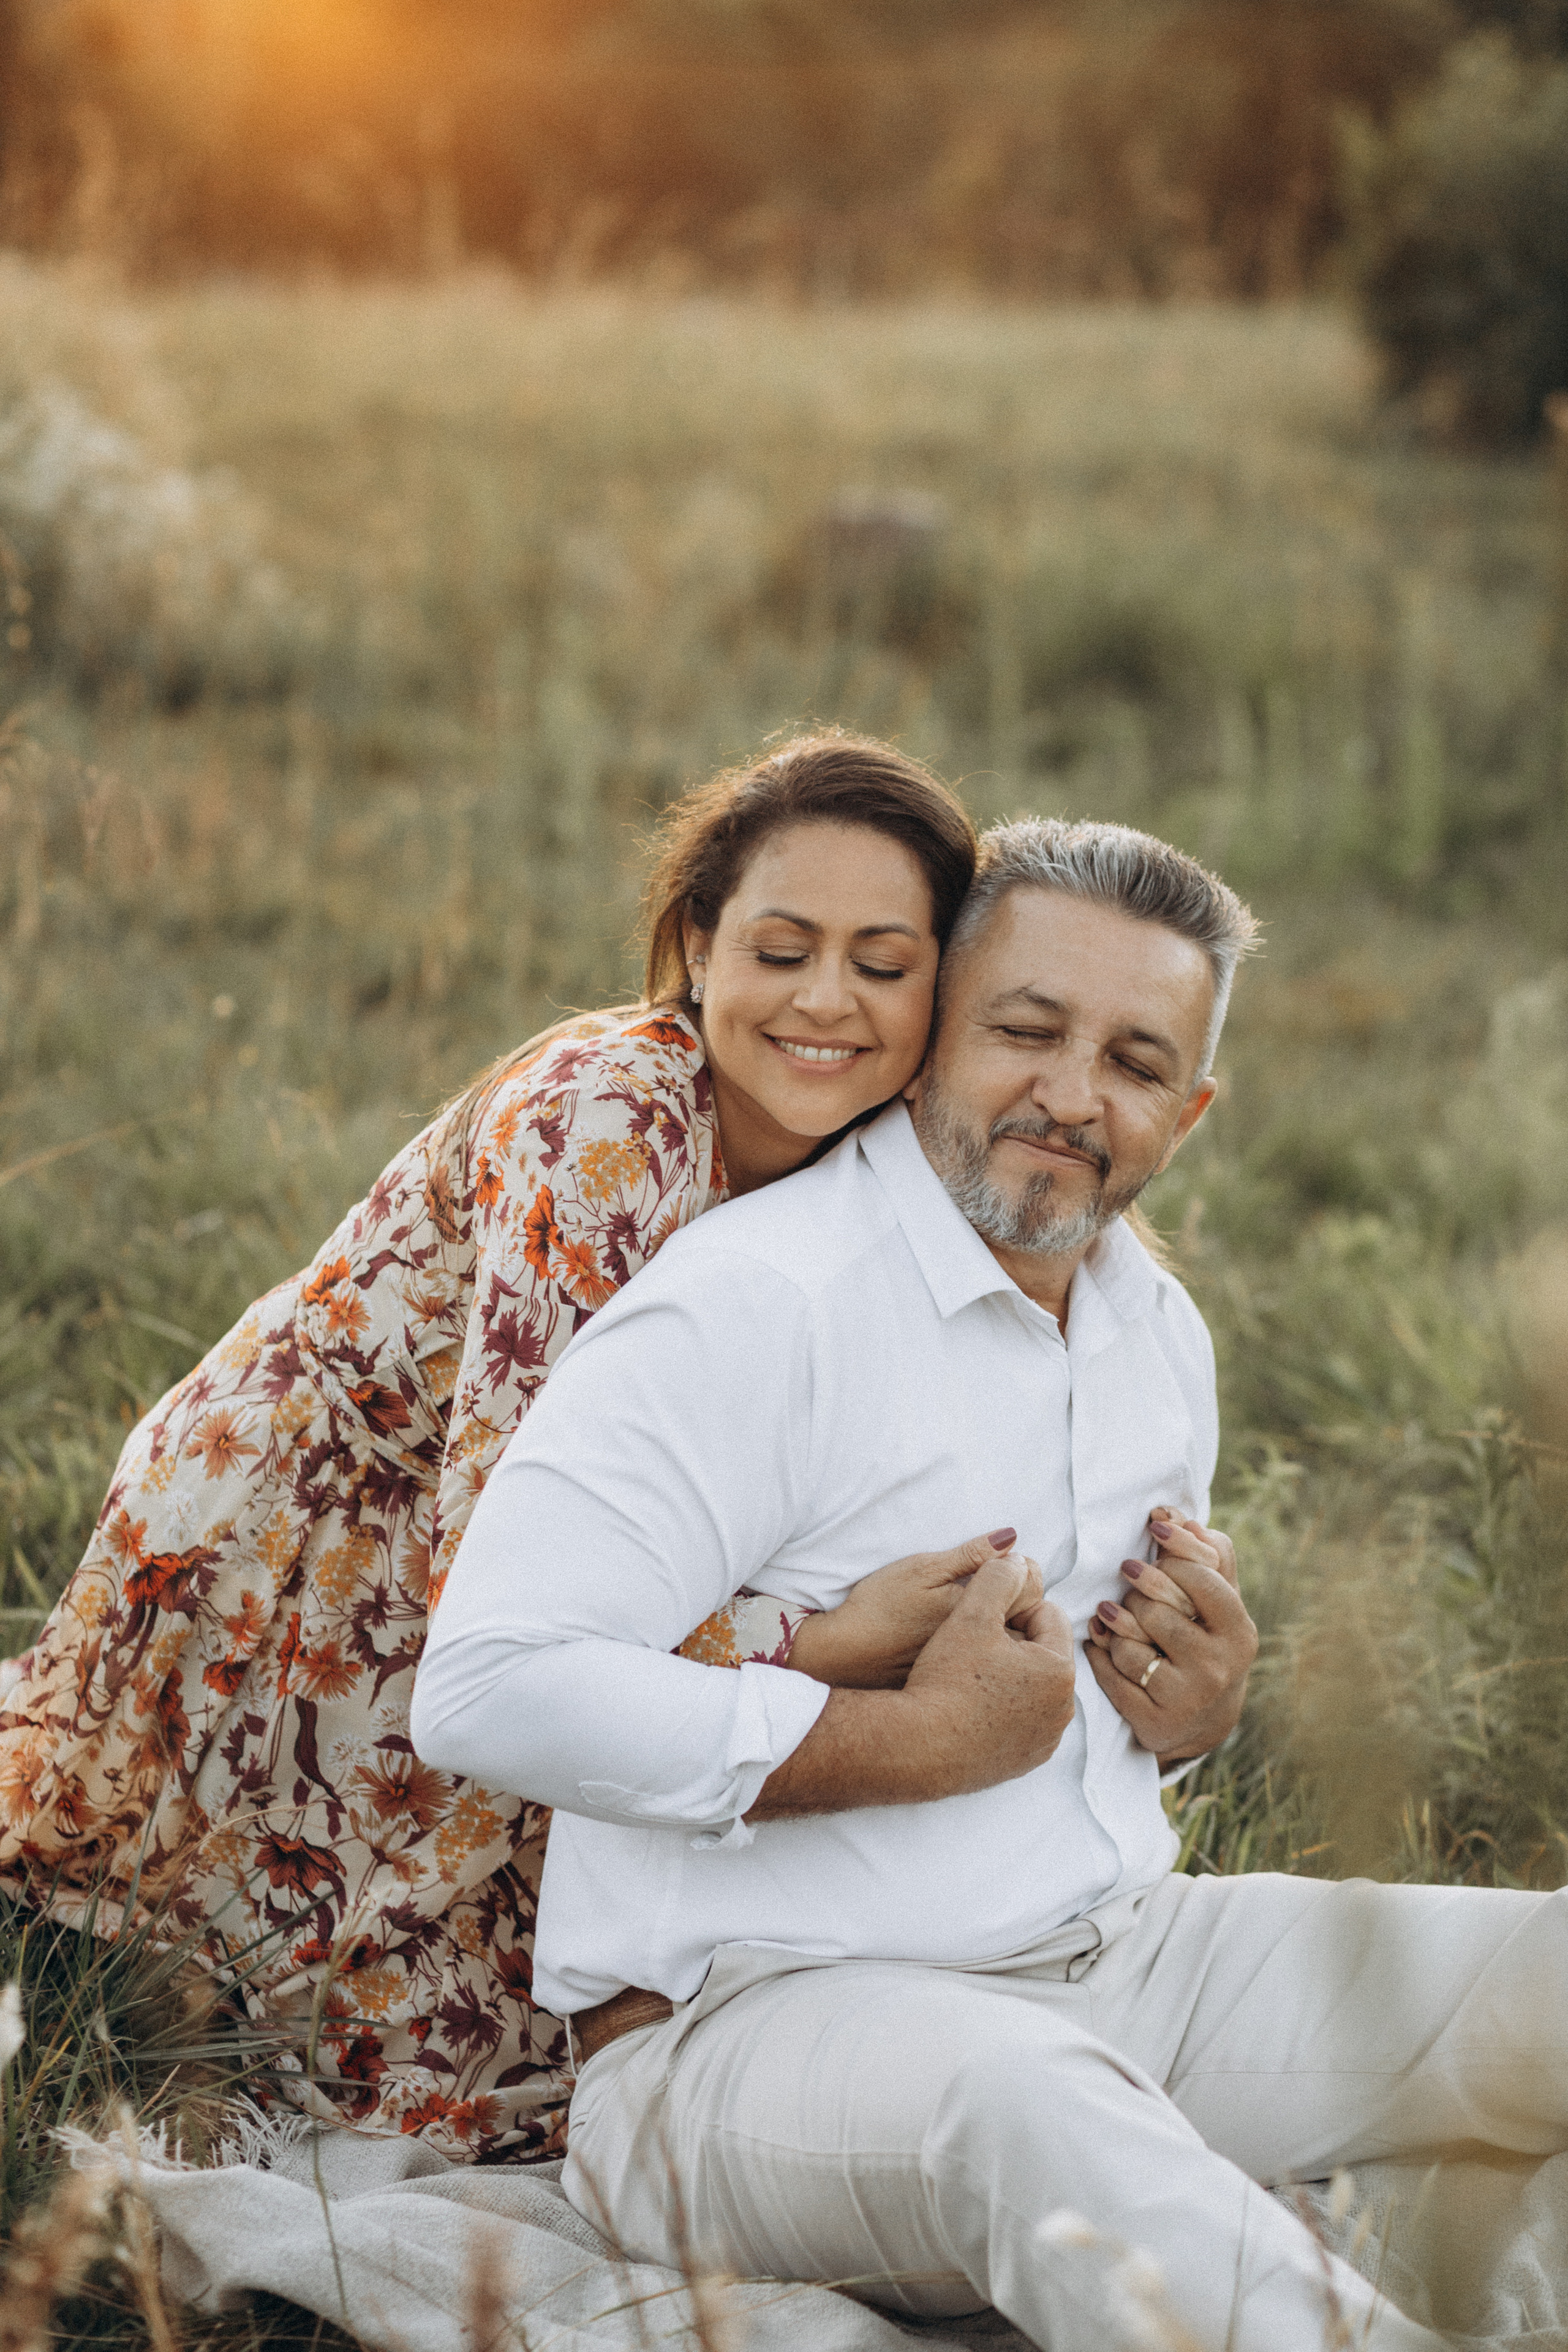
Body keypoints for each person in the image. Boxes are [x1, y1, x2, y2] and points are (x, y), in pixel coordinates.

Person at [415, 817, 1567, 2351]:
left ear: (1188, 1112)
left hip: (1125, 1962)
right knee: (1028, 2105)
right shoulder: (761, 1303)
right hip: (751, 2036)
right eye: (1026, 1032)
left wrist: (1186, 1722)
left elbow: (1078, 1720)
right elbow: (487, 1686)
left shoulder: (1156, 1334)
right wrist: (911, 1742)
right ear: (928, 1044)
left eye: (1135, 1063)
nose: (1073, 1096)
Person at [0, 729, 1024, 2163]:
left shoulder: (890, 1134)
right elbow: (504, 1557)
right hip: (322, 1543)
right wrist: (814, 1639)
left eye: (882, 963)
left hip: (510, 1563)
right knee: (434, 2090)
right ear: (698, 945)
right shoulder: (607, 1120)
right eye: (780, 950)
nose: (824, 1001)